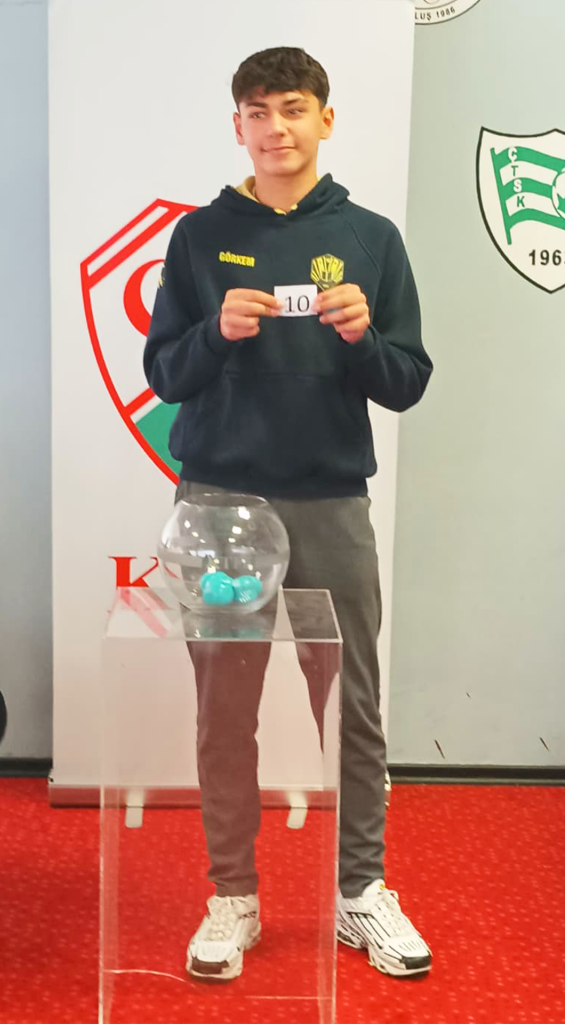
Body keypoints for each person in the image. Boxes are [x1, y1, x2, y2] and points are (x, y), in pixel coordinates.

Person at [144, 46, 433, 982]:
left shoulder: (371, 238)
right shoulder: (197, 238)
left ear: (326, 119)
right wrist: (214, 333)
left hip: (330, 501)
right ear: (238, 127)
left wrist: (362, 339)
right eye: (259, 111)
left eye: (294, 108)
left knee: (352, 707)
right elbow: (164, 374)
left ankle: (361, 891)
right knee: (224, 712)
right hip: (219, 507)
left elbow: (407, 382)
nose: (277, 128)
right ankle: (233, 894)